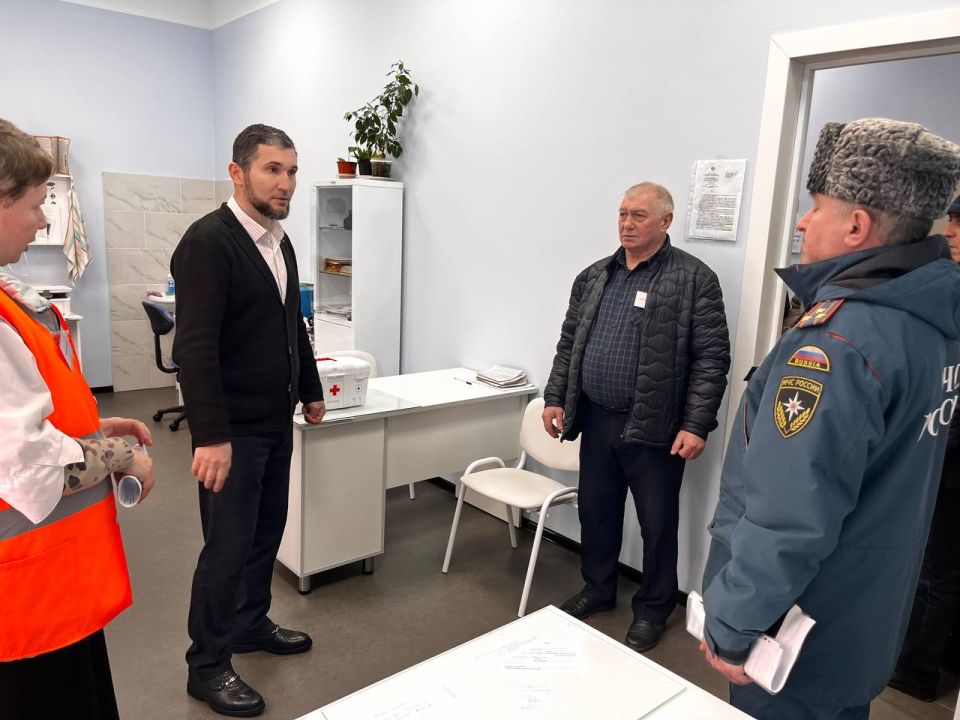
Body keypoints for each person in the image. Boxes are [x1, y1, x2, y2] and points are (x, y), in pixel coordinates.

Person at [699, 118, 960, 720]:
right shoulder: (932, 325)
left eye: (816, 207)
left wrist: (735, 621)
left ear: (856, 226)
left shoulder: (837, 342)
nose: (801, 222)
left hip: (796, 632)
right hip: (865, 621)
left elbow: (790, 512)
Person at [0, 118, 155, 720]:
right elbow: (31, 470)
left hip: (50, 584)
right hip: (26, 599)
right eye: (35, 205)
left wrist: (88, 434)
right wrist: (122, 456)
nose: (42, 221)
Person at [172, 124, 325, 717]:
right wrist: (210, 436)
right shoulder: (208, 242)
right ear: (238, 174)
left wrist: (309, 390)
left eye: (292, 171)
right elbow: (195, 349)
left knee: (265, 532)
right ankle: (207, 664)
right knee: (226, 546)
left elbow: (292, 327)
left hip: (274, 421)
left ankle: (249, 623)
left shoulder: (279, 243)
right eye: (272, 170)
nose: (286, 183)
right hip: (231, 431)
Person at [543, 181, 730, 653]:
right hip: (596, 419)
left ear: (666, 221)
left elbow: (711, 359)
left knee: (657, 523)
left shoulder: (695, 279)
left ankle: (653, 608)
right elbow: (569, 344)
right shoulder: (594, 276)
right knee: (597, 512)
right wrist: (555, 396)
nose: (627, 223)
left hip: (655, 425)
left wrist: (696, 424)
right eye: (623, 214)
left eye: (639, 215)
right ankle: (598, 588)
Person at [888, 194, 960, 702]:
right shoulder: (945, 287)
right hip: (935, 450)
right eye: (950, 221)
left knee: (937, 572)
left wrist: (929, 445)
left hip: (949, 463)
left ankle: (916, 671)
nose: (949, 231)